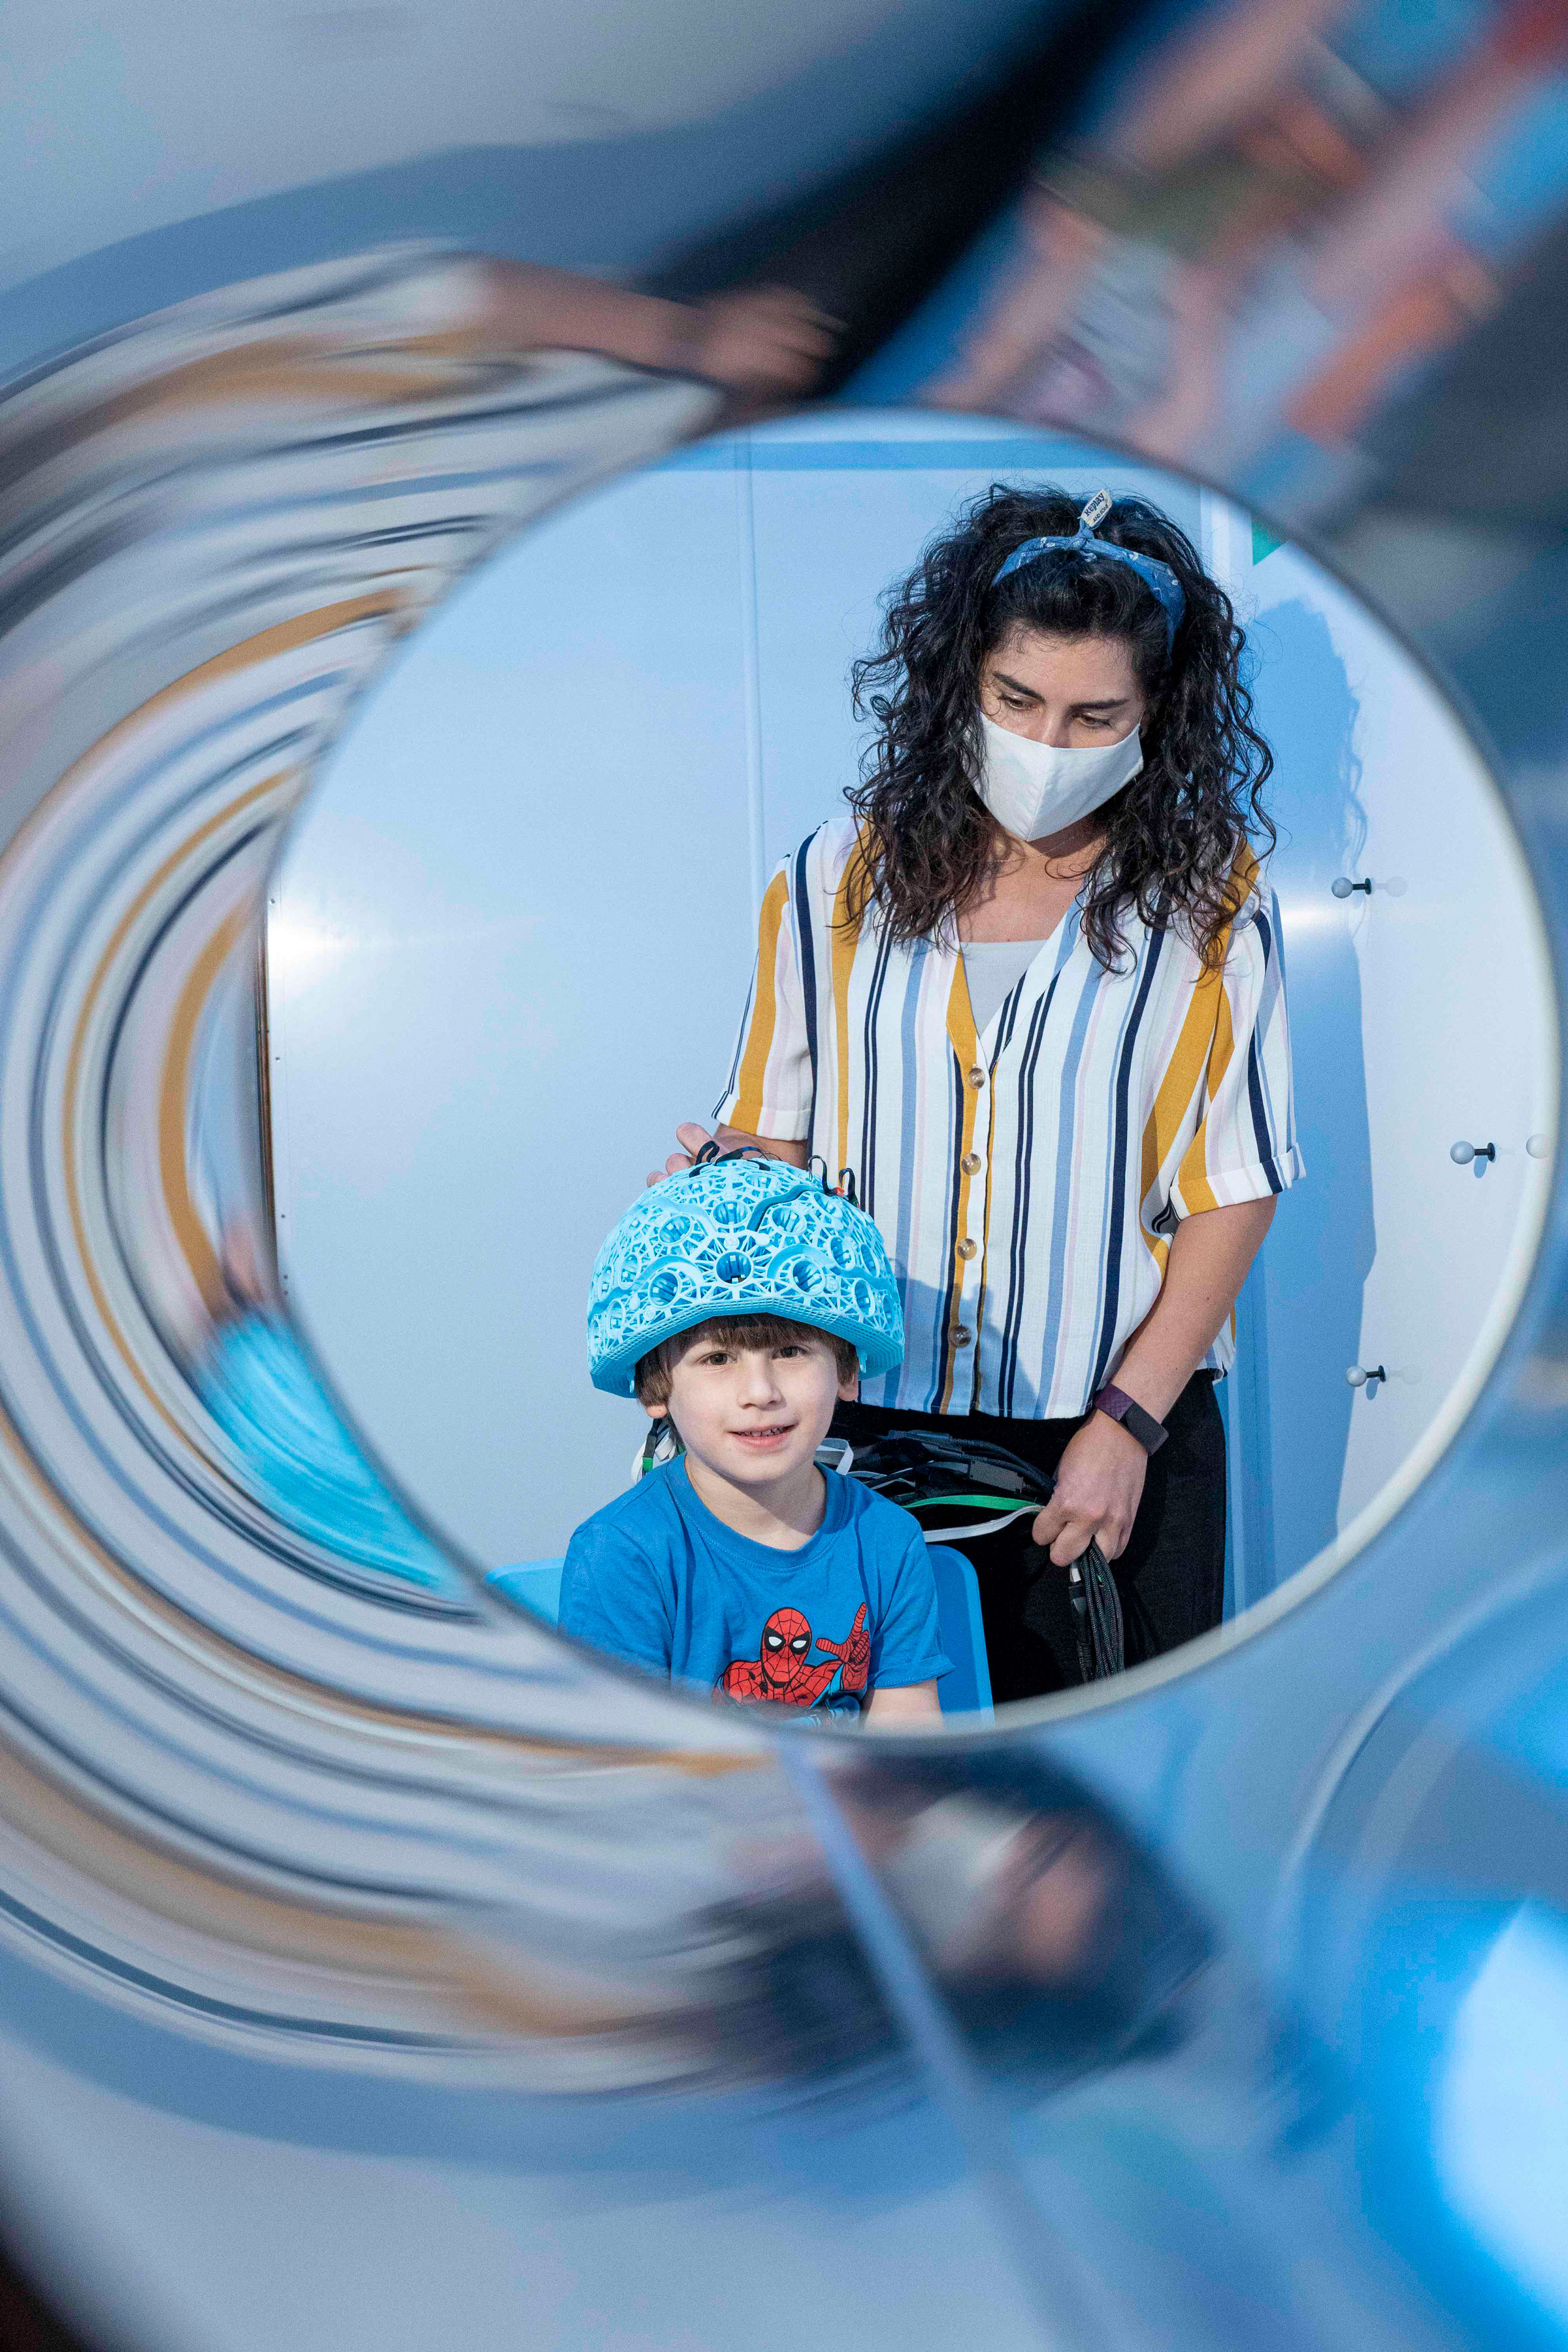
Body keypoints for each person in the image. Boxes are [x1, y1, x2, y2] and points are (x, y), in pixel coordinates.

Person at [655, 484, 1301, 1704]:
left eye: (1094, 715)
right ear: (962, 680)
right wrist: (718, 1195)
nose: (1049, 745)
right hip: (863, 1434)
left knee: (1105, 1783)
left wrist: (1126, 1427)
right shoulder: (835, 878)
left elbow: (1234, 1186)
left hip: (1110, 1440)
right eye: (1016, 701)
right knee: (878, 1777)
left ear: (1157, 714)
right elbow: (772, 1138)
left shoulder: (1211, 902)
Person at [561, 1151, 949, 1724]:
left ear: (846, 1371)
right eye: (717, 1359)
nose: (760, 1391)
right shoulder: (622, 1555)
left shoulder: (887, 1540)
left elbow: (908, 1739)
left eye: (790, 1352)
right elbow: (621, 1763)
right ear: (656, 1388)